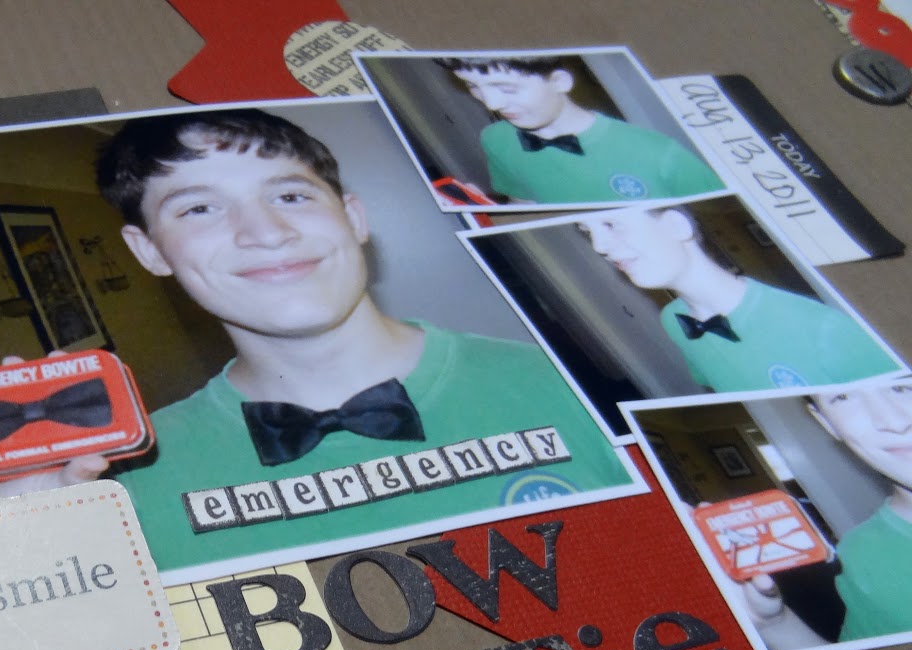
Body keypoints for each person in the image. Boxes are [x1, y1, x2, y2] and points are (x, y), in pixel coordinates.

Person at [90, 107, 632, 572]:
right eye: (199, 209)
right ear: (150, 251)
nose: (267, 233)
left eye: (291, 195)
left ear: (352, 217)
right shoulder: (125, 483)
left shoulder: (571, 387)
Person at [579, 205, 900, 392]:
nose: (599, 246)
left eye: (610, 224)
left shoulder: (828, 328)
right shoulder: (673, 320)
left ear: (676, 225)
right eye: (586, 232)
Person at [743, 379, 912, 648]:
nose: (893, 421)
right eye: (842, 397)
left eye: (902, 386)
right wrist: (772, 622)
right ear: (826, 422)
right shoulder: (859, 554)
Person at [438, 56, 723, 205]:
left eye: (507, 88)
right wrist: (483, 210)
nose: (491, 103)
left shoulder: (660, 152)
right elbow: (525, 204)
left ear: (560, 81)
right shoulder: (496, 138)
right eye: (473, 86)